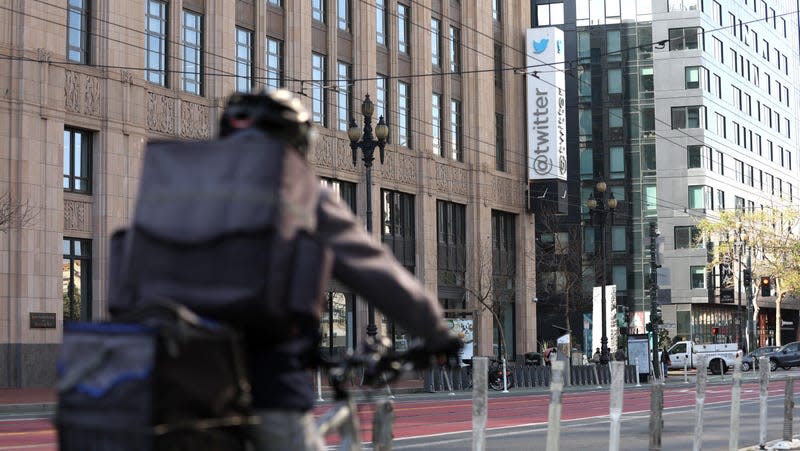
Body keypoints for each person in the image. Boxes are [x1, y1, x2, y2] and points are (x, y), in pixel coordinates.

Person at [216, 90, 462, 450]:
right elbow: (372, 267)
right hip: (262, 385)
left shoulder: (173, 185)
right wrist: (438, 332)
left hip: (162, 386)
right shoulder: (295, 195)